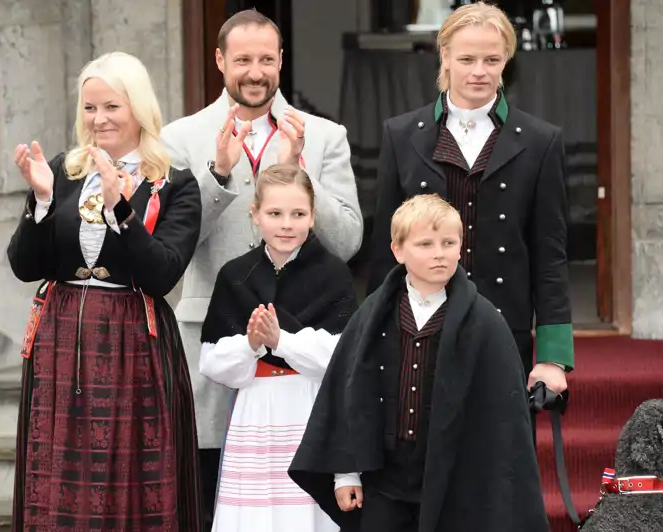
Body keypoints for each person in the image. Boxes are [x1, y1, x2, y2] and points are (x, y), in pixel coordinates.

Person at [160, 9, 363, 524]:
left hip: (304, 359)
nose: (255, 71)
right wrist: (218, 173)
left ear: (280, 61)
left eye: (266, 59)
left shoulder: (324, 135)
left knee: (297, 500)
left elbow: (349, 243)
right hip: (216, 340)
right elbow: (172, 244)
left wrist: (298, 175)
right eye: (243, 59)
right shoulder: (181, 138)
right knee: (213, 489)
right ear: (220, 60)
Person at [7, 52, 204, 531]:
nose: (99, 119)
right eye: (90, 108)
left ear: (138, 108)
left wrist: (121, 209)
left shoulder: (174, 182)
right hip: (61, 336)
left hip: (133, 338)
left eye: (112, 107)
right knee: (59, 471)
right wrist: (43, 201)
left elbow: (162, 276)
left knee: (131, 467)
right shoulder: (63, 170)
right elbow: (24, 265)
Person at [289, 194, 549, 532]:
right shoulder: (372, 318)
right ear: (398, 250)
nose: (439, 253)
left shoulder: (485, 323)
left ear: (461, 247)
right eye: (425, 244)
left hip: (457, 481)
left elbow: (503, 422)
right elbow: (348, 393)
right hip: (385, 478)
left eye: (448, 243)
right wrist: (346, 472)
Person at [366, 1, 573, 395]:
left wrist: (552, 356)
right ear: (444, 56)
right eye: (467, 58)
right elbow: (384, 252)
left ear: (506, 60)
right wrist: (376, 338)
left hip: (504, 330)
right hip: (417, 329)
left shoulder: (540, 141)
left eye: (491, 59)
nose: (479, 71)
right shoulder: (401, 135)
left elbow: (551, 255)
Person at [199, 164, 357, 532]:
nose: (287, 224)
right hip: (255, 408)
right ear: (255, 215)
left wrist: (280, 341)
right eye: (274, 213)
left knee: (305, 511)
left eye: (298, 214)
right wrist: (251, 344)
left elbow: (341, 358)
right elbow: (212, 361)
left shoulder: (333, 274)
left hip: (309, 408)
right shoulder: (235, 275)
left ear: (313, 216)